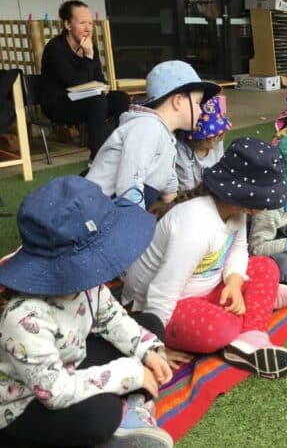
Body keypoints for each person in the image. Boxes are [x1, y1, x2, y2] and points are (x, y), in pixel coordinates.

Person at [0, 176, 173, 447]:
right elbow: (54, 391)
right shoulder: (23, 317)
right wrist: (131, 374)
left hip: (70, 362)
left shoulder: (87, 281)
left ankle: (131, 409)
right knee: (102, 414)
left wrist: (146, 351)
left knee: (149, 325)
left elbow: (112, 318)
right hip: (25, 401)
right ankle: (120, 417)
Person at [121, 137, 287, 378]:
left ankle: (251, 335)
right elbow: (163, 291)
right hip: (165, 306)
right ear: (247, 197)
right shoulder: (195, 225)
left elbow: (239, 249)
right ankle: (257, 309)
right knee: (221, 330)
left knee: (266, 266)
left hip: (206, 287)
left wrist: (234, 282)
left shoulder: (234, 210)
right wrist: (154, 345)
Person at [86, 60, 220, 210]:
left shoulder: (167, 137)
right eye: (197, 102)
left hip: (111, 214)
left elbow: (170, 195)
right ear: (177, 101)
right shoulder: (147, 127)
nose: (200, 111)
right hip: (92, 215)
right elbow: (129, 187)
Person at [40, 0, 130, 161]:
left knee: (119, 98)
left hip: (85, 99)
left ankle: (123, 148)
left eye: (90, 23)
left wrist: (103, 87)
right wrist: (88, 57)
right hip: (58, 104)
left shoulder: (90, 46)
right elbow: (74, 84)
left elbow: (98, 79)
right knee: (97, 100)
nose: (88, 28)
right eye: (82, 23)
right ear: (67, 24)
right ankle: (98, 158)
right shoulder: (55, 49)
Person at [175, 96, 230, 192]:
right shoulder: (182, 146)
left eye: (219, 133)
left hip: (212, 188)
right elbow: (186, 186)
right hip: (191, 193)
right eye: (211, 136)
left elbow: (220, 169)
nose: (217, 137)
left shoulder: (217, 139)